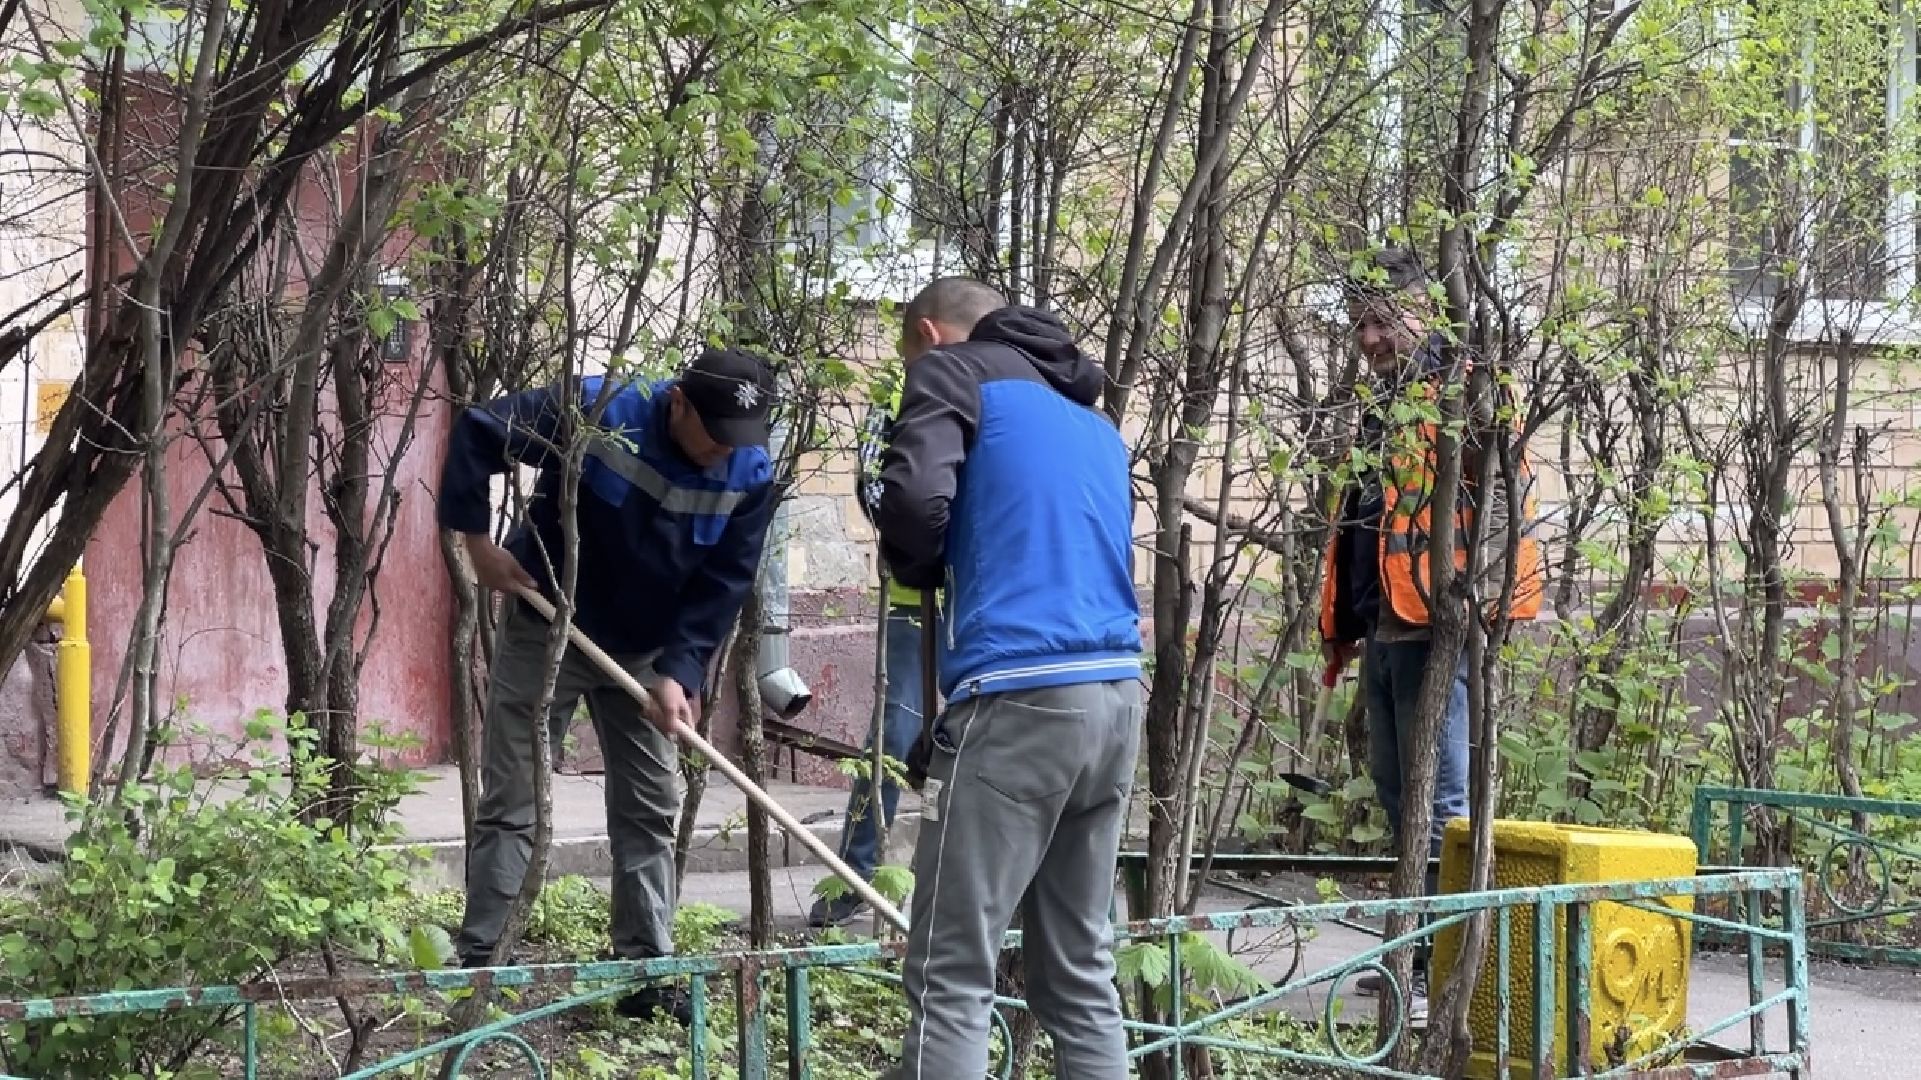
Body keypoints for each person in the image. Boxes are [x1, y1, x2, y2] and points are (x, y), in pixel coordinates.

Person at [436, 347, 779, 1023]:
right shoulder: (600, 408)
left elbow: (724, 581)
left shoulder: (750, 472)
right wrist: (477, 543)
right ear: (677, 402)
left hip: (647, 652)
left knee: (650, 806)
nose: (724, 450)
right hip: (549, 620)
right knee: (514, 797)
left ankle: (646, 973)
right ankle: (482, 968)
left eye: (739, 437)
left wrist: (682, 669)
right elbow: (479, 429)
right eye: (714, 432)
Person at [874, 278, 1143, 1079]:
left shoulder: (950, 372)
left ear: (930, 334)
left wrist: (914, 559)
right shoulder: (1093, 421)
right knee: (1080, 970)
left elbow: (913, 505)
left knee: (949, 971)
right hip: (1115, 697)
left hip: (1019, 695)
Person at [1319, 248, 1543, 1014]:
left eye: (1381, 321)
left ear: (1425, 309)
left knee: (1440, 803)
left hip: (1436, 629)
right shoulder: (1387, 401)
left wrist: (1469, 605)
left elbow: (1505, 499)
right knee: (1397, 798)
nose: (1369, 339)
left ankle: (1443, 976)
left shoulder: (1466, 388)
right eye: (1358, 325)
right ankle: (1412, 956)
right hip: (1388, 627)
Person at [807, 384, 937, 928]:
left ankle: (951, 892)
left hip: (986, 604)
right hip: (911, 601)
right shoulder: (896, 392)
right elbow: (874, 489)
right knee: (891, 739)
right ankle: (856, 880)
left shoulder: (998, 385)